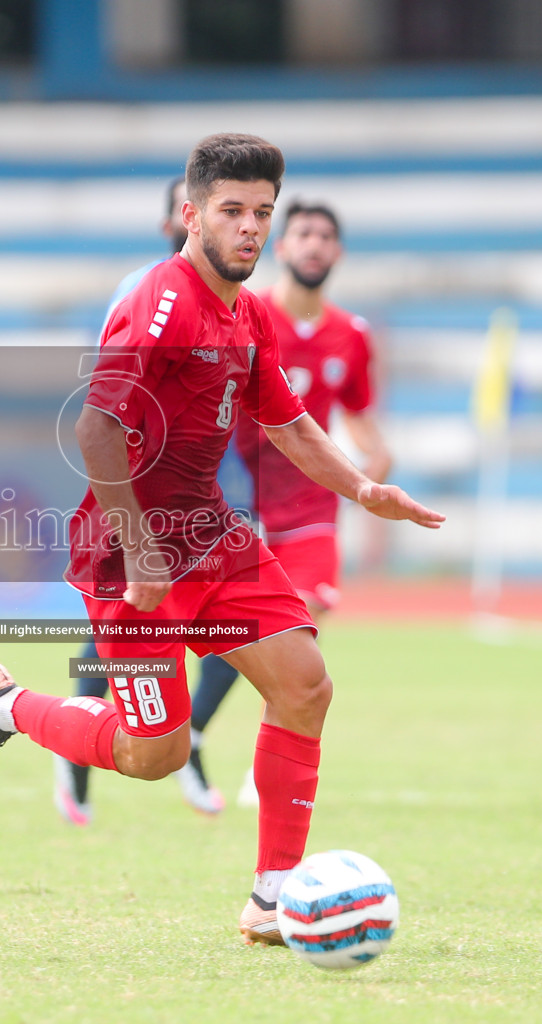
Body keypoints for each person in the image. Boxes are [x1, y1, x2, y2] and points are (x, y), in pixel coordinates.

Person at [0, 133, 442, 945]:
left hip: (209, 534)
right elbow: (98, 426)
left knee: (305, 684)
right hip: (126, 554)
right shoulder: (164, 300)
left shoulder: (249, 313)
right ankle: (3, 705)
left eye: (262, 213)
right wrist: (141, 545)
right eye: (233, 211)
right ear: (191, 214)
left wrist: (361, 487)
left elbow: (286, 421)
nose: (251, 228)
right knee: (155, 756)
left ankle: (272, 897)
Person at [190, 198, 395, 809]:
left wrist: (375, 472)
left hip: (310, 512)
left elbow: (361, 422)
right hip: (236, 507)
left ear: (338, 252)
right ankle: (190, 737)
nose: (313, 244)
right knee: (226, 636)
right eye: (303, 232)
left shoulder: (351, 336)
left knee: (298, 634)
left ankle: (266, 764)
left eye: (325, 236)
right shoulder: (247, 315)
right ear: (282, 246)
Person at [53, 174, 193, 827]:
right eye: (182, 209)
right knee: (117, 628)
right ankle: (74, 755)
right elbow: (106, 404)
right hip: (138, 489)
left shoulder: (231, 299)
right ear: (176, 219)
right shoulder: (144, 290)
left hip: (196, 491)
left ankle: (185, 741)